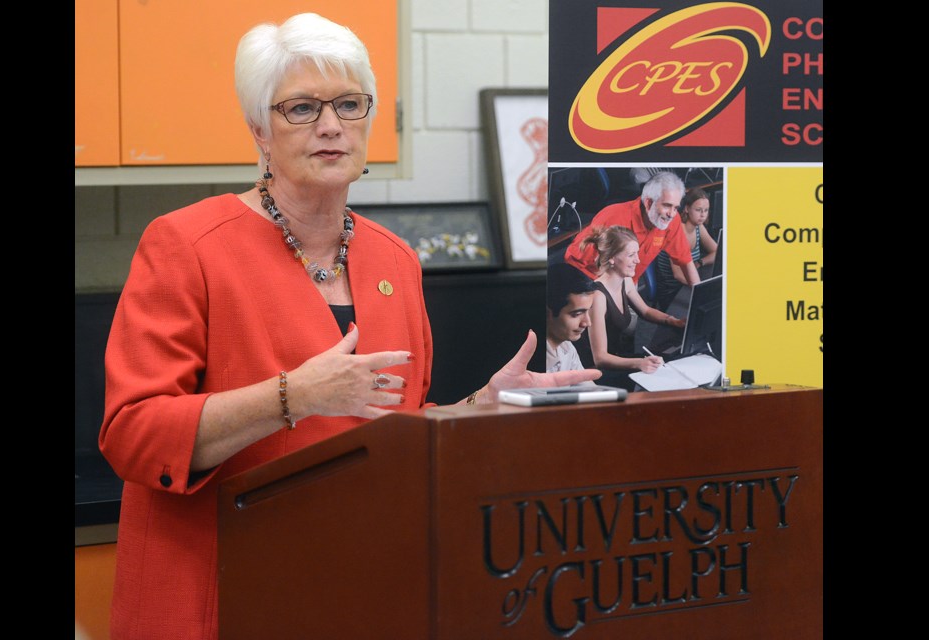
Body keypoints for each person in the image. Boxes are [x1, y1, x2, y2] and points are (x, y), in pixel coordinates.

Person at [98, 13, 597, 640]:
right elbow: (133, 434)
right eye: (301, 108)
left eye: (349, 104)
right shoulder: (186, 245)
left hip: (350, 587)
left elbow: (393, 428)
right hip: (220, 598)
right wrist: (293, 398)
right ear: (260, 129)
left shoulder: (394, 259)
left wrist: (479, 406)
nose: (330, 125)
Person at [573, 225, 686, 389]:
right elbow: (600, 358)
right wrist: (639, 363)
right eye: (631, 255)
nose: (638, 260)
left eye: (637, 253)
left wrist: (672, 321)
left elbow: (645, 311)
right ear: (612, 258)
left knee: (668, 364)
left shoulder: (624, 280)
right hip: (598, 371)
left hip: (619, 358)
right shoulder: (598, 296)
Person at [563, 171, 701, 288]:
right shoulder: (614, 216)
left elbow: (685, 260)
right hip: (590, 280)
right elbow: (580, 260)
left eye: (676, 207)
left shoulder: (671, 219)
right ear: (648, 203)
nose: (671, 213)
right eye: (667, 206)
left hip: (625, 284)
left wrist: (699, 295)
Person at [654, 187, 719, 311]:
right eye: (698, 210)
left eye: (706, 210)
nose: (703, 214)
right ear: (687, 209)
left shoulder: (699, 227)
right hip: (672, 290)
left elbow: (717, 252)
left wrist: (700, 262)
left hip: (688, 281)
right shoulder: (677, 231)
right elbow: (678, 275)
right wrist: (700, 289)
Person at [546, 262, 597, 380]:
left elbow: (587, 388)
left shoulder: (567, 347)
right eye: (577, 314)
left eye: (588, 311)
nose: (587, 323)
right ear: (548, 313)